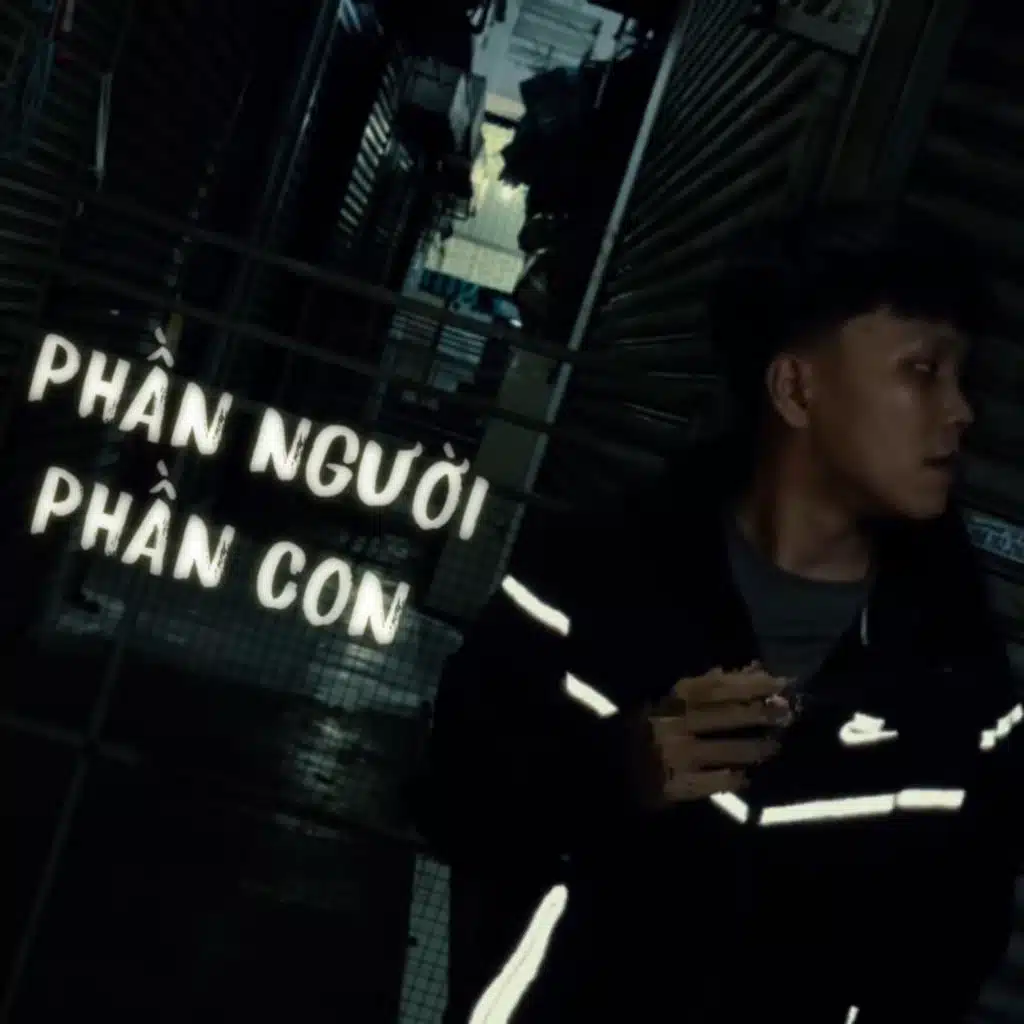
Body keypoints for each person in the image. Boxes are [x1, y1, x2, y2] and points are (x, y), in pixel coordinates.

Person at [411, 206, 1024, 1023]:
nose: (960, 411)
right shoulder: (585, 584)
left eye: (961, 378)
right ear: (796, 388)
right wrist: (617, 771)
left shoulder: (965, 693)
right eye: (923, 370)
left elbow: (952, 957)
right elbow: (449, 800)